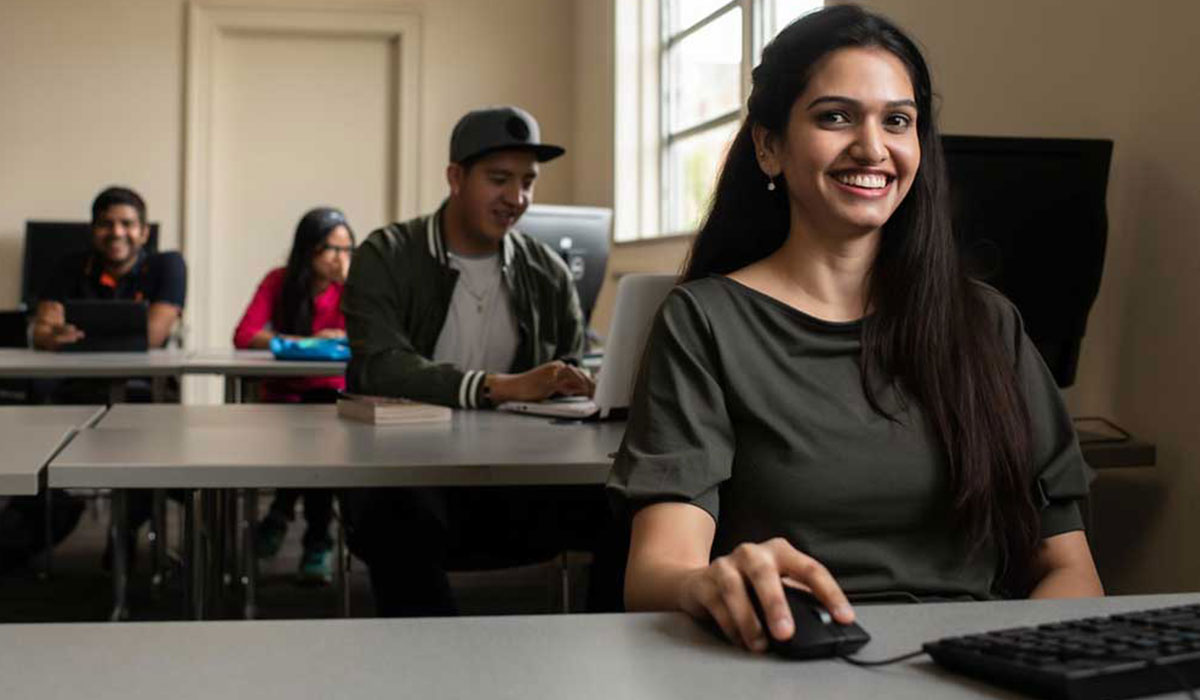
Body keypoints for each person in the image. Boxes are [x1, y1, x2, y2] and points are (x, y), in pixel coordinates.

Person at [608, 5, 1103, 655]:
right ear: (769, 145)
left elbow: (1070, 570)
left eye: (897, 120)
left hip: (978, 664)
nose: (873, 148)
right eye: (835, 116)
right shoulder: (706, 321)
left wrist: (1001, 664)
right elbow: (657, 570)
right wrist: (709, 583)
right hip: (789, 663)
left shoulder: (987, 323)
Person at [340, 105, 623, 616]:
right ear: (455, 177)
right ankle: (434, 676)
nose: (516, 198)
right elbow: (379, 365)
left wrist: (583, 381)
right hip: (411, 471)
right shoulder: (385, 254)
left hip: (518, 474)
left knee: (634, 505)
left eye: (527, 182)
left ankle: (614, 666)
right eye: (499, 179)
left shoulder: (548, 272)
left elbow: (566, 361)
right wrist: (500, 386)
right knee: (397, 515)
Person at [233, 207, 354, 584]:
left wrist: (355, 286)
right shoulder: (279, 281)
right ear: (309, 250)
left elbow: (370, 336)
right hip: (283, 396)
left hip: (330, 397)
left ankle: (281, 515)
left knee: (318, 430)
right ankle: (317, 540)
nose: (340, 258)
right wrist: (309, 341)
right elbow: (244, 334)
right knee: (313, 438)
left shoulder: (352, 286)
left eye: (348, 249)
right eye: (331, 249)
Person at [32, 186, 185, 353]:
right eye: (106, 224)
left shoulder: (167, 266)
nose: (117, 232)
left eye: (127, 224)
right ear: (92, 231)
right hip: (76, 371)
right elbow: (40, 333)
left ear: (144, 233)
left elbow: (151, 338)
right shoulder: (68, 266)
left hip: (139, 372)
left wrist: (80, 339)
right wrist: (51, 338)